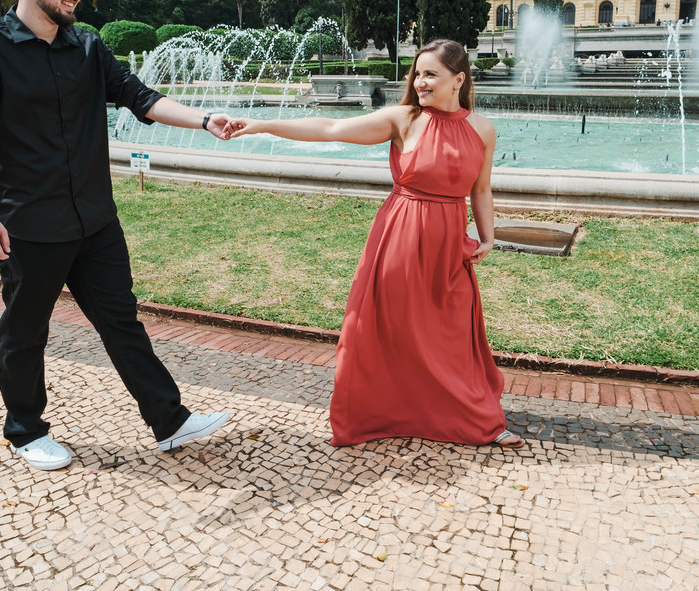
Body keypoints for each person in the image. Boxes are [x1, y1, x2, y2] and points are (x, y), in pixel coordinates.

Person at [0, 0, 233, 471]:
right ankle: (26, 431)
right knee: (26, 331)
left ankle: (169, 421)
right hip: (28, 224)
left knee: (122, 321)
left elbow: (140, 97)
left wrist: (203, 119)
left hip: (94, 219)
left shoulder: (87, 47)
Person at [224, 39, 523, 449]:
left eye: (430, 74)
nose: (420, 82)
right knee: (392, 328)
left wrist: (489, 236)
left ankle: (471, 416)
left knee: (450, 332)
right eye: (417, 74)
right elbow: (329, 129)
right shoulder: (404, 119)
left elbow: (482, 188)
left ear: (458, 80)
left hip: (449, 244)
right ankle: (386, 412)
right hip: (400, 237)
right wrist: (261, 125)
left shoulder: (481, 128)